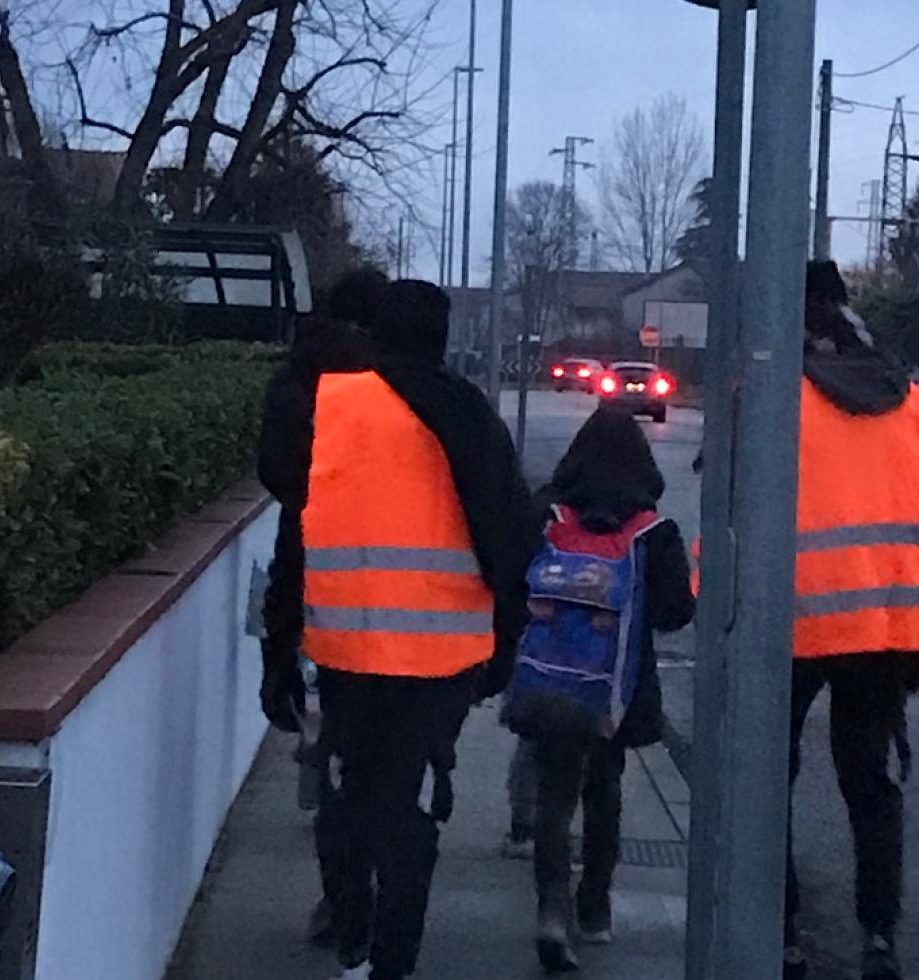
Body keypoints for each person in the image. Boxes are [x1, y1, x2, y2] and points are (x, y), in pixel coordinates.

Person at [259, 278, 538, 980]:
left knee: (351, 796)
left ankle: (354, 945)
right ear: (444, 340)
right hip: (444, 659)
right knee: (404, 808)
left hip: (345, 649)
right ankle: (394, 961)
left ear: (375, 336)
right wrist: (506, 644)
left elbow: (299, 536)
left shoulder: (336, 408)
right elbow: (510, 541)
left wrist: (279, 649)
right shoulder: (471, 416)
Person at [782, 261, 919, 980]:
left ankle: (779, 926)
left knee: (767, 777)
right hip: (884, 622)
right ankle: (879, 933)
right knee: (869, 782)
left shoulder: (778, 395)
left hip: (789, 619)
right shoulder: (909, 398)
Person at [506, 407, 695, 974]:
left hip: (548, 680)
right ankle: (594, 909)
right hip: (615, 690)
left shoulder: (547, 515)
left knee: (555, 795)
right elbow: (673, 614)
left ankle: (549, 909)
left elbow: (516, 586)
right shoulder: (653, 532)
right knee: (605, 793)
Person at [258, 267, 385, 950]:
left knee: (328, 749)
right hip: (387, 596)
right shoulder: (392, 384)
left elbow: (276, 474)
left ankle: (339, 896)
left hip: (308, 581)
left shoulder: (297, 379)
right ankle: (367, 893)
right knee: (380, 765)